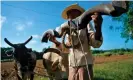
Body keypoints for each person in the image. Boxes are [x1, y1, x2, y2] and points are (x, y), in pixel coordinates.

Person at [44, 3, 103, 80]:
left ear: (80, 14)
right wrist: (55, 41)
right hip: (71, 66)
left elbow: (96, 44)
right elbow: (66, 49)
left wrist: (98, 26)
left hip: (84, 64)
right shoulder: (67, 30)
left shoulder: (86, 24)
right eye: (69, 13)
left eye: (74, 12)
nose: (71, 15)